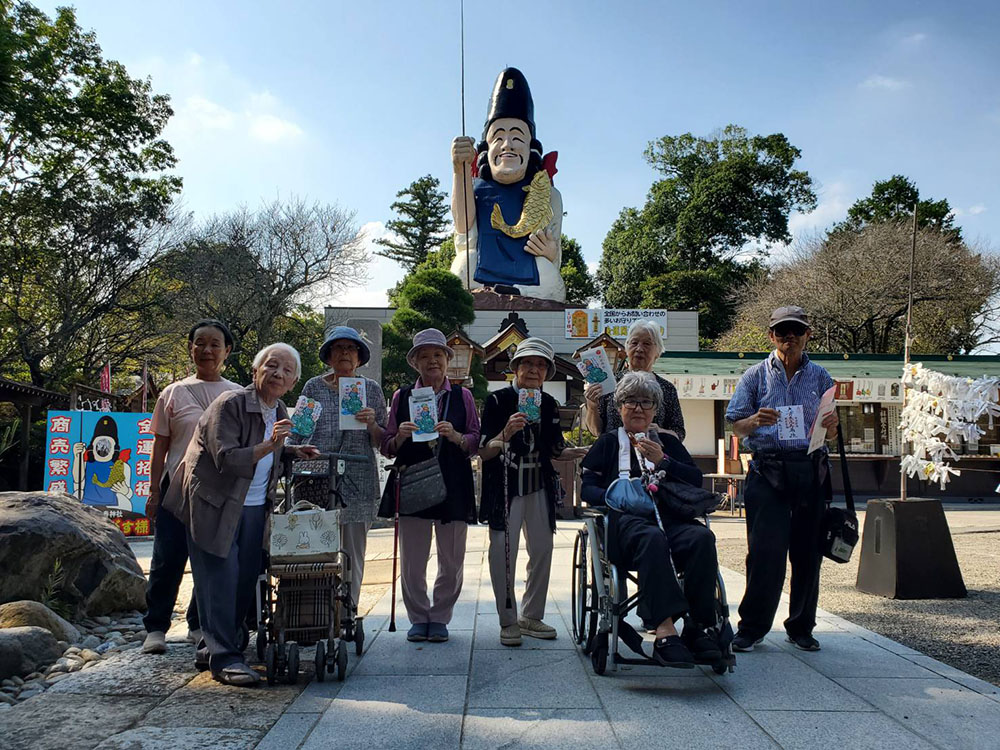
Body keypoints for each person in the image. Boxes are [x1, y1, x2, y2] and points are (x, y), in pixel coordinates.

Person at [165, 343, 318, 686]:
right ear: (255, 371)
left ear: (293, 382)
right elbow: (226, 457)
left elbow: (270, 450)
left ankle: (215, 647)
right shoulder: (230, 404)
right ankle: (226, 659)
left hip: (252, 507)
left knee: (245, 579)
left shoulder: (277, 408)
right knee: (220, 579)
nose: (278, 374)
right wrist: (272, 444)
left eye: (287, 370)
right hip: (214, 506)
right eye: (272, 366)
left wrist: (292, 451)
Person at [581, 371, 721, 667]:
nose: (638, 408)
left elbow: (695, 480)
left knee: (701, 538)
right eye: (630, 401)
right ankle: (665, 630)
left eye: (646, 402)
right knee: (651, 537)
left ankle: (698, 626)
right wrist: (618, 492)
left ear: (656, 409)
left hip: (670, 518)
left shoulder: (667, 443)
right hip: (626, 525)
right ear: (619, 407)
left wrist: (663, 462)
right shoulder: (608, 443)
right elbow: (587, 488)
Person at [725, 306, 839, 653]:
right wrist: (754, 421)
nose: (790, 337)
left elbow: (830, 429)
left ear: (808, 334)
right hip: (768, 467)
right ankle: (752, 627)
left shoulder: (820, 376)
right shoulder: (755, 376)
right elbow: (734, 423)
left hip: (810, 467)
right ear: (771, 336)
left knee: (808, 552)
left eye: (796, 331)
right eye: (782, 331)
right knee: (764, 552)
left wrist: (833, 428)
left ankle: (801, 625)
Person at [479, 338, 588, 646]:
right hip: (505, 486)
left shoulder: (549, 404)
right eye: (527, 363)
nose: (533, 370)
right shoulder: (497, 401)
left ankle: (532, 614)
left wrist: (581, 451)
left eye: (541, 365)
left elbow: (555, 449)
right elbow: (484, 451)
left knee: (542, 549)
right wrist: (506, 432)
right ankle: (508, 619)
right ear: (515, 368)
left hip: (538, 482)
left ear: (548, 373)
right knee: (502, 550)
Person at [142, 320, 240, 655]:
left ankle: (198, 624)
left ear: (227, 351)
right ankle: (156, 627)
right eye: (200, 343)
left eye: (215, 344)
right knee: (167, 557)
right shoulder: (173, 393)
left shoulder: (237, 395)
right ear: (190, 348)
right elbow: (160, 447)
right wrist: (153, 491)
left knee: (211, 556)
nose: (207, 350)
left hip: (217, 490)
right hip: (176, 486)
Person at [381, 329, 480, 644]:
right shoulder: (402, 396)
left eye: (438, 355)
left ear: (448, 360)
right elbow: (387, 444)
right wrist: (401, 436)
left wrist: (455, 436)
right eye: (424, 356)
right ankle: (417, 616)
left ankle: (439, 617)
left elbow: (476, 439)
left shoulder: (462, 396)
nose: (432, 361)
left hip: (453, 480)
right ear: (416, 363)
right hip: (413, 479)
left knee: (451, 557)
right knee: (412, 557)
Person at [286, 326, 386, 608]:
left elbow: (382, 442)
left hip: (358, 477)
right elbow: (300, 430)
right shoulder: (313, 387)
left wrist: (372, 423)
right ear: (328, 356)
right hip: (316, 477)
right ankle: (316, 609)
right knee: (316, 545)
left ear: (359, 357)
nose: (344, 353)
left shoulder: (371, 389)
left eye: (351, 348)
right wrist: (295, 448)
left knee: (353, 551)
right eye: (338, 348)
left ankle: (348, 611)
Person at [450, 67, 566, 301]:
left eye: (517, 136)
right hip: (483, 262)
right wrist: (459, 170)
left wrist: (551, 253)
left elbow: (553, 249)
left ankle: (516, 293)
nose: (507, 145)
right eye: (498, 137)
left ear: (530, 146)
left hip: (528, 269)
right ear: (486, 148)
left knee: (552, 279)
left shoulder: (547, 193)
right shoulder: (474, 188)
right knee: (462, 266)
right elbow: (463, 230)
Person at [583, 319, 684, 440]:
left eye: (647, 344)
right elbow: (596, 431)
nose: (639, 349)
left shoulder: (666, 388)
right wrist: (592, 405)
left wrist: (659, 431)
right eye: (634, 343)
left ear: (658, 352)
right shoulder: (610, 383)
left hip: (652, 455)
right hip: (614, 454)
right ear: (626, 348)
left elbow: (679, 433)